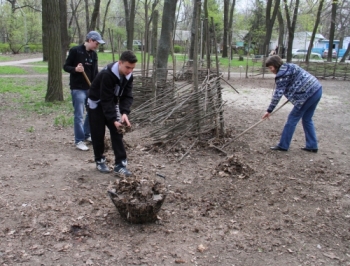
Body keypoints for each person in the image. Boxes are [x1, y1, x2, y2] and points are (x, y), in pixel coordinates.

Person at [88, 50, 137, 176]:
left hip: (111, 102)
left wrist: (124, 112)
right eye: (127, 67)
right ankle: (100, 160)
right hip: (96, 103)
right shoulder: (107, 74)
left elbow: (127, 96)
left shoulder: (129, 76)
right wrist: (113, 119)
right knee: (98, 133)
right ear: (120, 63)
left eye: (132, 68)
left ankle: (120, 164)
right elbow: (105, 99)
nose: (129, 70)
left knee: (118, 131)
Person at [262, 55, 322, 153]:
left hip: (306, 96)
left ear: (276, 65)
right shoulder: (290, 66)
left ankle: (283, 145)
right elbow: (298, 79)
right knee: (307, 119)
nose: (270, 70)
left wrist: (269, 110)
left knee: (292, 119)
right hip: (317, 89)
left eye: (271, 67)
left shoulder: (281, 75)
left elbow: (277, 95)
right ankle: (312, 145)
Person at [63, 31, 105, 151]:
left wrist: (96, 86)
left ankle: (87, 134)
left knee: (92, 112)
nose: (97, 46)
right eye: (96, 43)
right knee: (79, 115)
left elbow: (95, 72)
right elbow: (66, 66)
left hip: (90, 88)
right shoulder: (75, 50)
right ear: (90, 40)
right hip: (78, 89)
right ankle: (79, 140)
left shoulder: (94, 55)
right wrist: (75, 69)